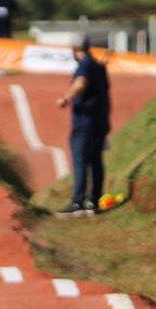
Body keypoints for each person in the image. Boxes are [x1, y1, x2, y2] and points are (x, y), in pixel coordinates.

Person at [56, 33, 111, 216]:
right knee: (96, 161)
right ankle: (94, 201)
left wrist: (66, 98)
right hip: (100, 121)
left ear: (74, 49)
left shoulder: (85, 65)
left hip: (85, 122)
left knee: (80, 160)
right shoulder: (98, 66)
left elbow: (80, 83)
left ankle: (77, 202)